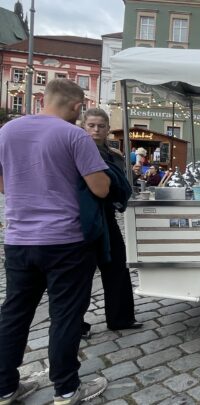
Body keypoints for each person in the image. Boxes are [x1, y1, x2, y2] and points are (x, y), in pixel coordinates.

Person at [0, 79, 109, 404]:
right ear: (77, 107)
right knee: (65, 315)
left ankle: (4, 387)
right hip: (65, 241)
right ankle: (66, 388)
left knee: (15, 313)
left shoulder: (6, 131)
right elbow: (100, 188)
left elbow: (4, 185)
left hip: (19, 239)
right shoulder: (74, 135)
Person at [81, 108, 141, 337]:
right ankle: (77, 325)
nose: (96, 130)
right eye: (91, 125)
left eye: (101, 126)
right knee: (82, 275)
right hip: (84, 217)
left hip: (107, 215)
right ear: (84, 126)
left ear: (107, 128)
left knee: (117, 266)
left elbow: (126, 181)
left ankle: (120, 318)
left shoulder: (115, 154)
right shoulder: (76, 149)